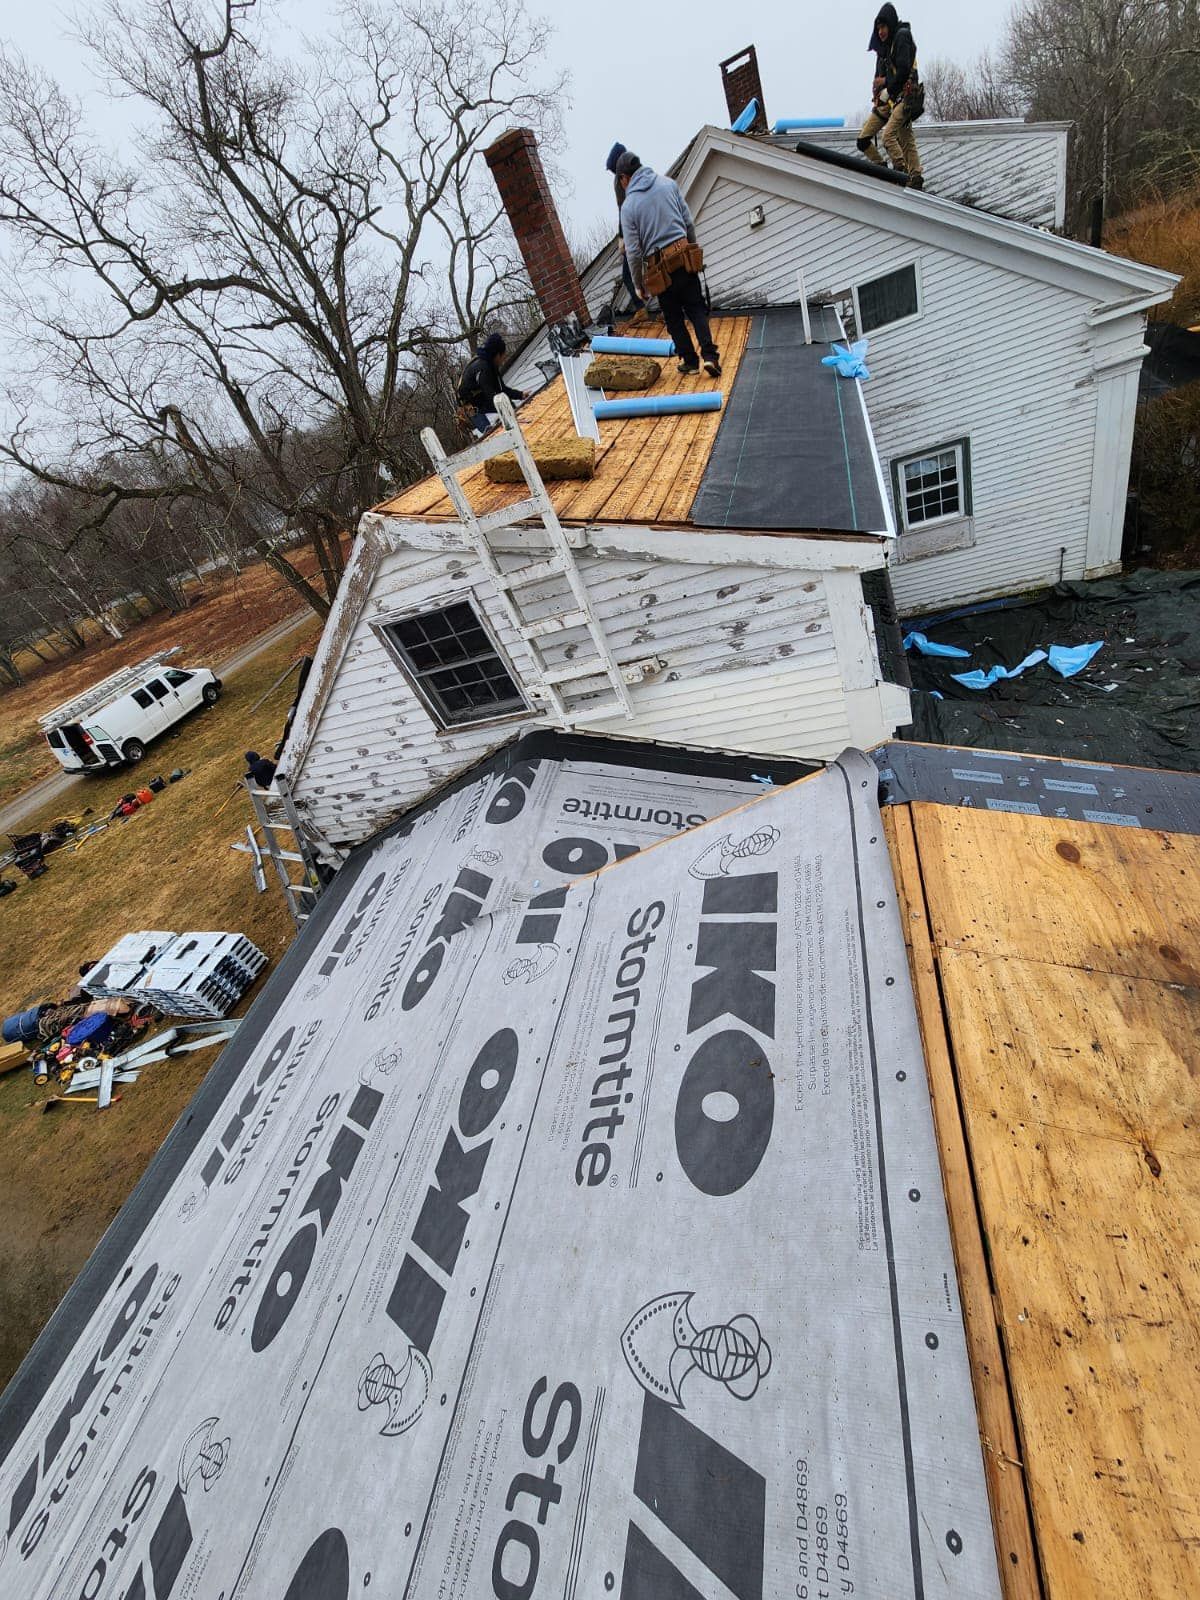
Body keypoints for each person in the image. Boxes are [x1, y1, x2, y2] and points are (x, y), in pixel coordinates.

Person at [616, 151, 720, 378]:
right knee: (696, 308)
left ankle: (690, 362)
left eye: (620, 180)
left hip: (659, 270)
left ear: (625, 177)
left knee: (673, 318)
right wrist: (692, 250)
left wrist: (638, 285)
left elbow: (633, 252)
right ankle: (710, 357)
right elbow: (688, 222)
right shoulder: (667, 184)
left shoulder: (629, 206)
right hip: (683, 255)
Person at [856, 5, 924, 188]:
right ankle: (884, 169)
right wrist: (879, 92)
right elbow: (884, 75)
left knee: (892, 137)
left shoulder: (901, 36)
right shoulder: (885, 48)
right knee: (863, 140)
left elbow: (903, 71)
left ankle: (905, 173)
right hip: (891, 99)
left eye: (883, 27)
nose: (880, 32)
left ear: (891, 25)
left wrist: (885, 86)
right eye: (878, 28)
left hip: (906, 96)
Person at [457, 333, 526, 435]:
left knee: (509, 406)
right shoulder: (483, 368)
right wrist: (508, 415)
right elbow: (492, 396)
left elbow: (502, 389)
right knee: (490, 433)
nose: (504, 358)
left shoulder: (492, 364)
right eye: (503, 355)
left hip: (481, 398)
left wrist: (521, 395)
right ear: (497, 355)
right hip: (472, 407)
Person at [605, 141, 645, 315]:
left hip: (634, 233)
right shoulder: (640, 175)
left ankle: (642, 309)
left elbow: (624, 210)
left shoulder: (621, 181)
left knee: (629, 275)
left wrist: (623, 237)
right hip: (647, 229)